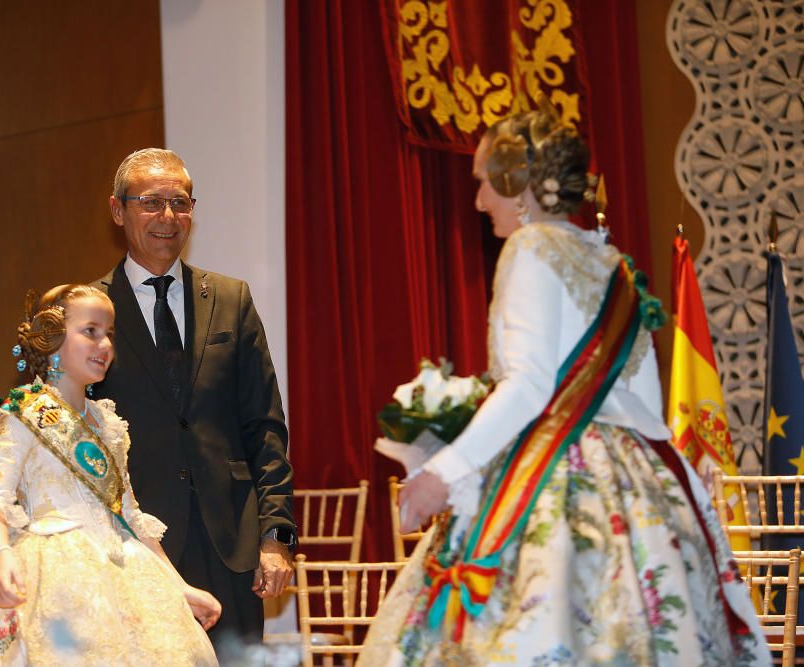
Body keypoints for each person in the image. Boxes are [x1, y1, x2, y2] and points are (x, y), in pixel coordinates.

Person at [358, 101, 769, 665]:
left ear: (518, 183)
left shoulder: (528, 247)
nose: (479, 200)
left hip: (555, 477)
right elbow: (647, 405)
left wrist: (444, 473)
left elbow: (529, 386)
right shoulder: (617, 266)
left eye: (484, 182)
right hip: (639, 486)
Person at [0, 284, 219, 666]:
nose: (104, 344)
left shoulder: (109, 424)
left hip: (123, 568)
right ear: (52, 337)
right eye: (90, 331)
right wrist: (2, 555)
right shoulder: (21, 412)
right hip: (51, 571)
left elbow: (131, 516)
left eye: (109, 334)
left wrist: (179, 587)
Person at [92, 148, 296, 649]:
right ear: (118, 211)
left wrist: (276, 536)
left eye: (180, 202)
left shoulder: (232, 299)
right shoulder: (91, 312)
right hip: (135, 546)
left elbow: (265, 428)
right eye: (151, 202)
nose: (168, 217)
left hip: (231, 547)